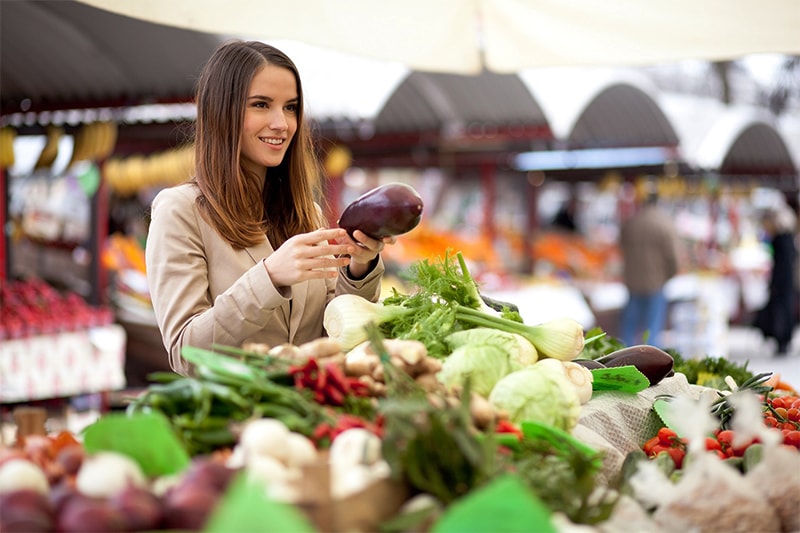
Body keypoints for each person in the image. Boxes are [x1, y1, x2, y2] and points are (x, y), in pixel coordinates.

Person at [145, 40, 393, 375]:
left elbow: (333, 332)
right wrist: (270, 277)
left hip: (310, 417)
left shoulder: (307, 215)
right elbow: (187, 352)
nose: (282, 123)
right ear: (223, 111)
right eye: (261, 105)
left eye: (291, 108)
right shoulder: (180, 212)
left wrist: (359, 268)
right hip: (235, 422)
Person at [618, 184, 680, 348]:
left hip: (633, 282)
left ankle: (623, 359)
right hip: (655, 282)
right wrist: (667, 276)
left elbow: (621, 247)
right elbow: (673, 257)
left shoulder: (632, 223)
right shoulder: (664, 224)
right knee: (652, 328)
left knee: (629, 327)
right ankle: (650, 365)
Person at [754, 201, 798, 355]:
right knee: (784, 309)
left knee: (781, 311)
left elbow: (782, 265)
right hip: (785, 281)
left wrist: (775, 283)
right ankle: (782, 340)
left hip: (782, 281)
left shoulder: (782, 240)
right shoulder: (786, 239)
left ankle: (782, 341)